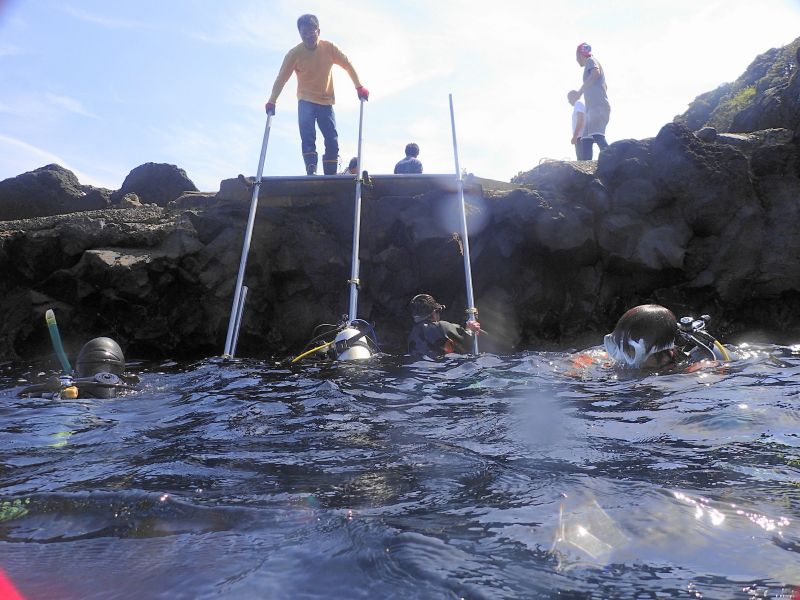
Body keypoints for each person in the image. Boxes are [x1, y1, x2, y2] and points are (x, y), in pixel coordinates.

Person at [265, 14, 369, 176]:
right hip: (305, 101)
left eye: (311, 32)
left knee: (332, 139)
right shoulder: (294, 54)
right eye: (303, 33)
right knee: (308, 137)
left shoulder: (329, 48)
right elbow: (282, 79)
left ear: (318, 31)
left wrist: (359, 87)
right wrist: (272, 101)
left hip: (326, 102)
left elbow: (347, 64)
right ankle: (311, 169)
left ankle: (330, 174)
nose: (307, 37)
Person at [603, 304, 731, 370]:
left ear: (665, 356)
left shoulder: (691, 372)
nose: (620, 358)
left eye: (630, 351)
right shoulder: (619, 361)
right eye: (617, 347)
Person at [407, 294, 480, 356]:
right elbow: (467, 344)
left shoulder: (412, 336)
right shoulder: (440, 327)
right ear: (434, 313)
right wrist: (470, 330)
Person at [573, 43, 610, 161]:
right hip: (593, 107)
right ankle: (586, 165)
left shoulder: (591, 61)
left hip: (597, 107)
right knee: (586, 138)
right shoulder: (591, 62)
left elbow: (595, 73)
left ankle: (612, 158)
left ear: (578, 55)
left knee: (597, 135)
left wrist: (580, 91)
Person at [567, 90, 587, 160]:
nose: (569, 101)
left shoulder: (578, 103)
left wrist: (575, 135)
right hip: (581, 136)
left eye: (569, 98)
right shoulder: (579, 104)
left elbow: (581, 120)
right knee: (582, 159)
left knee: (582, 160)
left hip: (581, 137)